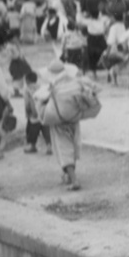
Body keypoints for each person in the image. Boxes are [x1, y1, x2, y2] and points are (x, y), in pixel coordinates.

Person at [38, 59, 88, 191]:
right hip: (73, 120)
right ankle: (68, 175)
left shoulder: (51, 87)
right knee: (73, 146)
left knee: (63, 149)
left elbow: (41, 102)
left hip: (58, 122)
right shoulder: (73, 83)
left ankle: (74, 179)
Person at [20, 70, 53, 155]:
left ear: (27, 80)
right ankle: (49, 146)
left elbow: (27, 102)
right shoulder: (40, 87)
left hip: (33, 114)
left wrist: (28, 112)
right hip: (43, 112)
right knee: (46, 129)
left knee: (32, 130)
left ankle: (32, 146)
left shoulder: (27, 89)